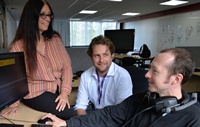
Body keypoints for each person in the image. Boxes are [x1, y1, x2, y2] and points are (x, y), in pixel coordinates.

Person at [42, 48, 200, 127]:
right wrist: (67, 124)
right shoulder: (142, 99)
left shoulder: (193, 119)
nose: (147, 74)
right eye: (149, 68)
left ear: (176, 79)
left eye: (155, 71)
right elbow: (107, 115)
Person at [0, 0, 76, 119]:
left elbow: (67, 66)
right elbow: (16, 79)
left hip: (56, 88)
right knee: (71, 115)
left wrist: (65, 93)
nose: (48, 18)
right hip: (36, 92)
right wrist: (13, 104)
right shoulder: (18, 46)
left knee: (63, 114)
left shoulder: (55, 39)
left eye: (49, 14)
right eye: (42, 14)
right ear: (31, 16)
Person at [74, 35, 133, 115]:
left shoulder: (122, 76)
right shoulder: (85, 76)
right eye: (97, 55)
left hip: (114, 117)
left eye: (105, 55)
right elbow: (80, 106)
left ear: (112, 56)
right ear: (91, 57)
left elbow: (121, 112)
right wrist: (86, 123)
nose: (101, 60)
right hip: (94, 114)